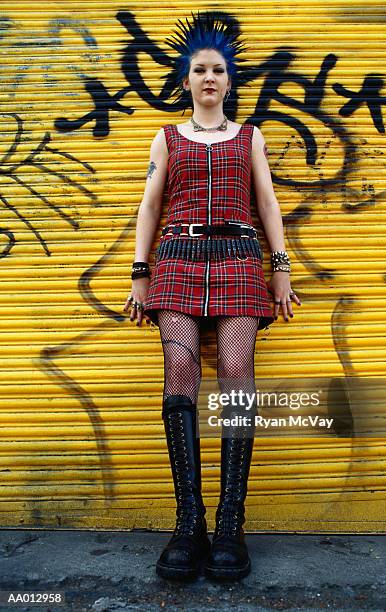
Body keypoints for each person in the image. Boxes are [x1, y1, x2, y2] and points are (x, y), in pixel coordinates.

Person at [123, 12, 301, 581]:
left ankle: (229, 524)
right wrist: (139, 272)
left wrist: (280, 267)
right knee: (179, 369)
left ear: (229, 81)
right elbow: (150, 207)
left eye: (217, 70)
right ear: (186, 79)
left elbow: (268, 204)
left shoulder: (250, 136)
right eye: (198, 69)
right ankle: (188, 525)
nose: (208, 78)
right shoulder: (167, 137)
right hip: (176, 260)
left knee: (235, 370)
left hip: (238, 261)